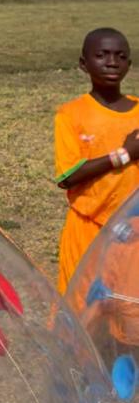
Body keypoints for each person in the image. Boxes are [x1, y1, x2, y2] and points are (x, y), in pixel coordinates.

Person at [55, 27, 139, 294]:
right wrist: (124, 154)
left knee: (126, 302)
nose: (112, 62)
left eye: (120, 56)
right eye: (102, 55)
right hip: (88, 225)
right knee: (81, 303)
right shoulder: (71, 115)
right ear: (84, 64)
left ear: (129, 64)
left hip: (132, 230)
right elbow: (68, 176)